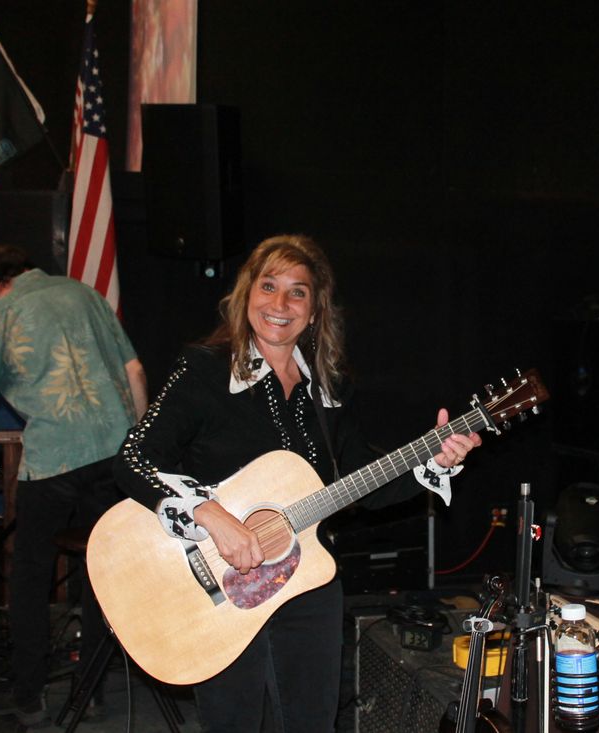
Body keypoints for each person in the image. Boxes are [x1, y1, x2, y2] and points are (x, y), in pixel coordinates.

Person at [113, 233, 481, 732]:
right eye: (268, 286)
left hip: (306, 583)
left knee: (313, 725)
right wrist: (211, 515)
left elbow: (361, 484)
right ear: (246, 295)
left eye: (297, 291)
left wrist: (435, 459)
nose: (280, 304)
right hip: (215, 586)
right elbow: (134, 457)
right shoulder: (205, 372)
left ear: (314, 310)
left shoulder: (329, 389)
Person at [0, 244, 148, 726]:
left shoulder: (0, 314)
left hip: (55, 461)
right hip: (114, 455)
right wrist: (137, 447)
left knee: (30, 577)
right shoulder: (87, 294)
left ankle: (29, 696)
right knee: (102, 574)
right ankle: (91, 694)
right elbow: (134, 371)